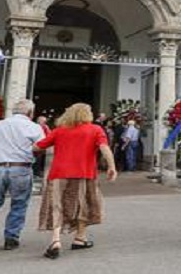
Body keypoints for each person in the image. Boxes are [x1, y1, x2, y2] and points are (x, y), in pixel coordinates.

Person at [35, 102, 117, 259]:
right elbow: (104, 148)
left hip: (58, 173)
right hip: (84, 174)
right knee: (83, 205)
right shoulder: (95, 129)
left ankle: (56, 240)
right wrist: (111, 166)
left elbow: (38, 146)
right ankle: (79, 238)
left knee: (57, 204)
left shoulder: (60, 130)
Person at [0, 99, 46, 252]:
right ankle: (11, 238)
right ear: (30, 113)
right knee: (19, 203)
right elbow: (40, 147)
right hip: (20, 168)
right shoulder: (34, 127)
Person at [33, 114, 52, 179]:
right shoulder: (33, 126)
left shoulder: (45, 127)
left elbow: (49, 135)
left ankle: (37, 172)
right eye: (43, 121)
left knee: (39, 160)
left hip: (41, 147)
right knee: (34, 160)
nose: (44, 122)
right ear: (38, 121)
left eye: (45, 121)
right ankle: (34, 172)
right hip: (34, 146)